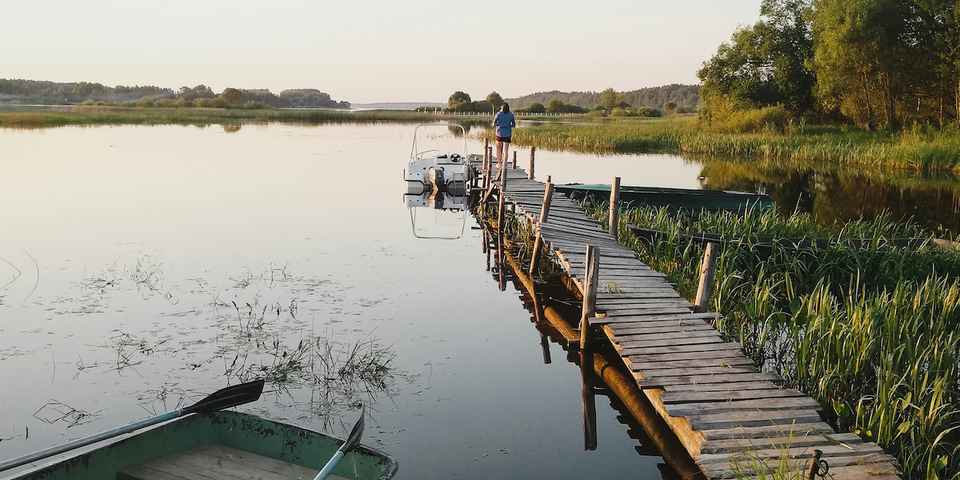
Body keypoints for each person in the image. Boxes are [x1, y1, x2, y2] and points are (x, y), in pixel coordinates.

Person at [492, 103, 516, 174]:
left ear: (502, 108)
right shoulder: (511, 114)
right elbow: (514, 125)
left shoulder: (498, 114)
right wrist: (508, 125)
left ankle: (499, 164)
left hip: (499, 133)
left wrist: (499, 125)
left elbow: (494, 124)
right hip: (508, 134)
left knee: (498, 149)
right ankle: (504, 165)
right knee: (506, 150)